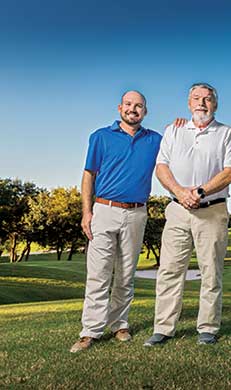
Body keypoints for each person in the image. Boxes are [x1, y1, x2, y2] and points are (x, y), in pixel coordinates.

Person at [144, 83, 231, 347]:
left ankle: (207, 328)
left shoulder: (227, 133)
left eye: (207, 99)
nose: (202, 103)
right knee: (170, 270)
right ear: (188, 103)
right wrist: (179, 191)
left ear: (215, 104)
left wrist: (199, 191)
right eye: (196, 98)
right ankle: (163, 328)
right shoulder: (173, 130)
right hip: (177, 209)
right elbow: (161, 167)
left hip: (213, 210)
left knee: (211, 271)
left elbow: (230, 172)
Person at [70, 91, 162, 353]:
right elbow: (89, 175)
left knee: (125, 273)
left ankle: (120, 324)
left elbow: (173, 155)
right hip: (104, 209)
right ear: (120, 107)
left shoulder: (155, 139)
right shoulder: (100, 137)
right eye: (129, 105)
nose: (133, 109)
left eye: (139, 106)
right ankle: (90, 331)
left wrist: (177, 125)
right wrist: (86, 212)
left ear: (145, 111)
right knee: (98, 273)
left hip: (137, 213)